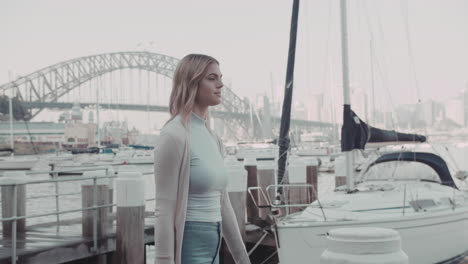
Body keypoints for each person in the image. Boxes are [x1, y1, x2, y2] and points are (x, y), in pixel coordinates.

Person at [154, 54, 250, 264]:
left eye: (220, 78)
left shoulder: (213, 138)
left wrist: (242, 259)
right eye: (212, 78)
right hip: (189, 245)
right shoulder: (174, 135)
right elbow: (164, 210)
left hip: (214, 245)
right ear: (192, 82)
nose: (221, 84)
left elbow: (223, 203)